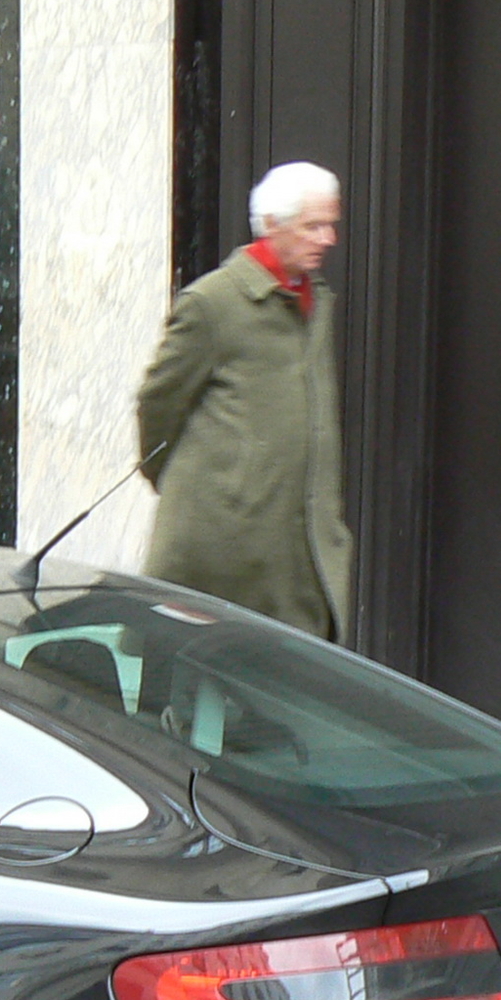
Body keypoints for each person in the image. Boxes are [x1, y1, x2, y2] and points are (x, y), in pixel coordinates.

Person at [136, 160, 354, 641]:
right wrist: (205, 489)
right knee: (202, 678)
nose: (328, 239)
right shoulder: (213, 304)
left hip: (296, 551)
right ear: (273, 226)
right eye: (313, 226)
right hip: (225, 553)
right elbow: (158, 407)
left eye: (331, 225)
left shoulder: (313, 299)